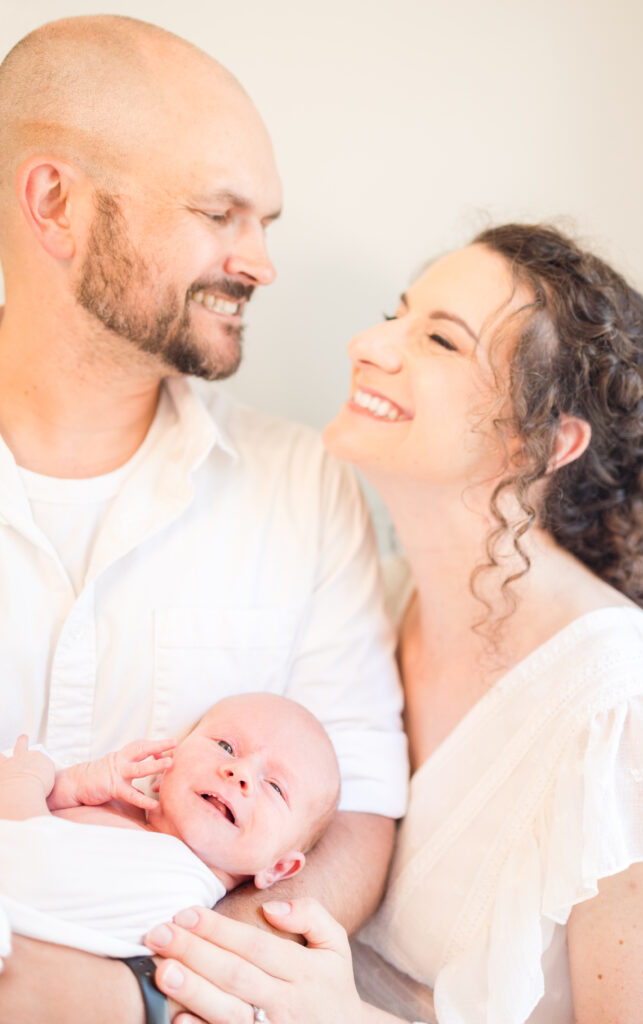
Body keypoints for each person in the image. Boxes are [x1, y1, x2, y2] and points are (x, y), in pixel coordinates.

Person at [145, 223, 643, 1024]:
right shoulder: (370, 603)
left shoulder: (620, 699)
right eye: (396, 314)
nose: (370, 344)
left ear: (544, 440)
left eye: (438, 340)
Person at [0, 14, 407, 1022]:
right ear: (57, 205)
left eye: (265, 220)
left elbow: (354, 807)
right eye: (220, 213)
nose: (260, 262)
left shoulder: (302, 485)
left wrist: (141, 995)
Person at [0, 693, 340, 962]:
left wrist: (24, 781)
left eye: (276, 787)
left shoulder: (177, 889)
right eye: (225, 746)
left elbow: (25, 867)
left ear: (278, 867)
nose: (241, 772)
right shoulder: (129, 827)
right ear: (163, 771)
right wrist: (72, 785)